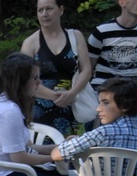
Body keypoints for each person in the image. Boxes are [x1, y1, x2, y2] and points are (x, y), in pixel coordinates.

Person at [20, 0, 92, 135]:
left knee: (69, 144)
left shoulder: (75, 37)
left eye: (49, 9)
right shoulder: (30, 43)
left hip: (71, 103)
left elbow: (86, 70)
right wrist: (54, 96)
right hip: (39, 106)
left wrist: (72, 93)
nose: (44, 14)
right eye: (40, 10)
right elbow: (24, 79)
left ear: (61, 10)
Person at [88, 0, 137, 90]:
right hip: (104, 87)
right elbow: (88, 67)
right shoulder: (102, 31)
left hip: (132, 87)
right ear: (122, 2)